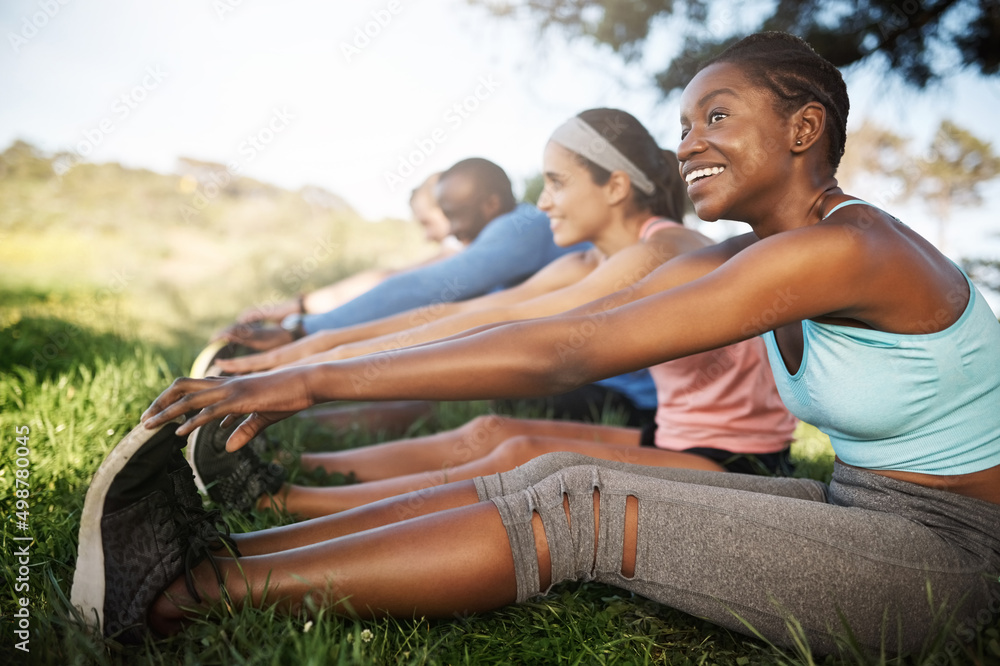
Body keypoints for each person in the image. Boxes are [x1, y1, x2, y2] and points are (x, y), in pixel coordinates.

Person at [73, 33, 1000, 655]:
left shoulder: (847, 248)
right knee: (525, 471)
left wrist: (306, 380)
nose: (689, 145)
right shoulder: (757, 255)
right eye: (682, 126)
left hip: (948, 556)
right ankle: (233, 547)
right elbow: (542, 326)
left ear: (805, 129)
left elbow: (571, 355)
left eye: (716, 117)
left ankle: (178, 593)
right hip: (860, 504)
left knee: (576, 504)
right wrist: (298, 359)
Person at [186, 108, 795, 518]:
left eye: (556, 182)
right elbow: (469, 315)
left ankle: (279, 500)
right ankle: (281, 470)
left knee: (516, 455)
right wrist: (290, 358)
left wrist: (311, 380)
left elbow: (535, 344)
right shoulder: (595, 260)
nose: (542, 201)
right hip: (675, 435)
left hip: (737, 462)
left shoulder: (661, 252)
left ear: (614, 187)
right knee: (492, 433)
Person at [216, 158, 590, 352]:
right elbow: (398, 279)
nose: (452, 228)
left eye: (455, 216)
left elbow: (422, 288)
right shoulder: (506, 231)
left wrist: (303, 329)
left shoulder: (516, 230)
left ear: (491, 204)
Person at [228, 173, 463, 328]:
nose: (426, 237)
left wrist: (298, 309)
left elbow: (391, 278)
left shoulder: (462, 252)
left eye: (427, 223)